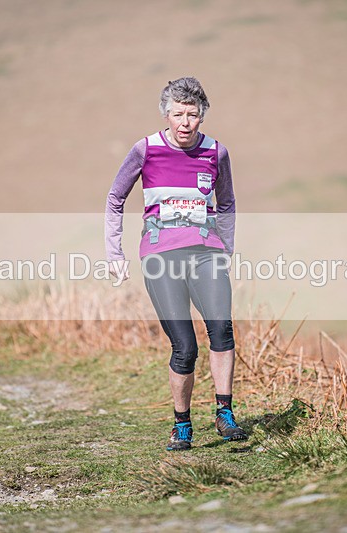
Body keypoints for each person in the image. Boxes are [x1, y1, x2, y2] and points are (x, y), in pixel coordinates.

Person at [104, 77, 248, 451]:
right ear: (166, 114)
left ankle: (224, 413)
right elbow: (115, 198)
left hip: (206, 253)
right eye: (178, 114)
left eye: (193, 115)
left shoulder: (216, 152)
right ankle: (181, 424)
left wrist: (225, 248)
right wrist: (115, 253)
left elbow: (228, 201)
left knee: (222, 331)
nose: (185, 122)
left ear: (202, 116)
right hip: (160, 256)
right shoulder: (146, 149)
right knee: (185, 347)